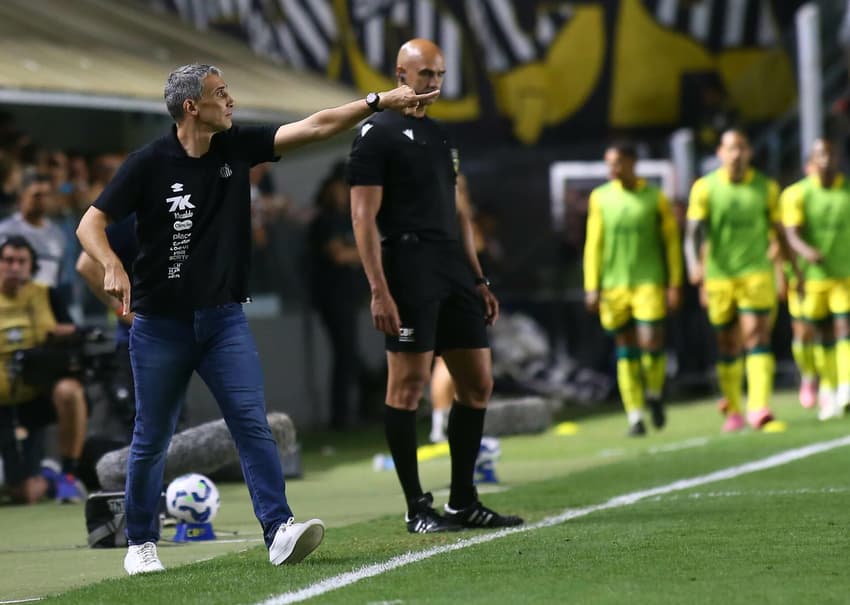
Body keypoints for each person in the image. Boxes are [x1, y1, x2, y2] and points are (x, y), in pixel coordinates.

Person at [75, 63, 436, 574]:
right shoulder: (148, 164)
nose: (232, 101)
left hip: (223, 322)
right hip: (160, 326)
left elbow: (314, 126)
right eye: (221, 94)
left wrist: (376, 102)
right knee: (151, 435)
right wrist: (111, 264)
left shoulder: (236, 146)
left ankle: (279, 529)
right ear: (191, 108)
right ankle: (140, 543)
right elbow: (91, 224)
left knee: (251, 422)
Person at [348, 38, 523, 533]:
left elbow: (459, 214)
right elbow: (362, 218)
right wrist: (379, 289)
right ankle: (415, 507)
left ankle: (462, 502)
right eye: (425, 74)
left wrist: (478, 277)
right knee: (406, 387)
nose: (434, 84)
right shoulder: (374, 132)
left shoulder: (443, 137)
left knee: (478, 384)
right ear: (400, 74)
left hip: (452, 266)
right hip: (407, 266)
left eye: (440, 75)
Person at [685, 129, 792, 432]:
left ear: (749, 153)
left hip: (756, 273)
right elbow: (693, 233)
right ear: (720, 153)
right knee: (728, 342)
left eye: (741, 148)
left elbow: (778, 233)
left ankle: (759, 407)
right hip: (720, 277)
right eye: (730, 148)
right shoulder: (705, 189)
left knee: (757, 336)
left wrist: (785, 271)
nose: (736, 154)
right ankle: (733, 407)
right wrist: (695, 266)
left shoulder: (765, 188)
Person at [583, 142, 682, 436]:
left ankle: (654, 391)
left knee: (651, 340)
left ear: (632, 162)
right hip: (614, 286)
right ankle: (635, 415)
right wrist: (592, 286)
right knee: (625, 348)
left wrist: (674, 283)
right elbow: (594, 244)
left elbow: (672, 244)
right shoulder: (600, 198)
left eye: (617, 162)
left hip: (648, 281)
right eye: (608, 163)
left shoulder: (655, 198)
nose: (612, 169)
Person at [0, 236, 87, 504]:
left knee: (69, 390)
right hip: (3, 403)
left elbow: (77, 334)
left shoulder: (48, 295)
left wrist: (66, 332)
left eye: (21, 261)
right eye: (8, 261)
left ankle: (68, 477)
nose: (14, 267)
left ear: (31, 266)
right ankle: (45, 475)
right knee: (23, 493)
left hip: (37, 398)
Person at [781, 138, 850, 420]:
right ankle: (826, 387)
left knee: (844, 329)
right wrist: (805, 253)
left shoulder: (846, 191)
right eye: (820, 154)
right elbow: (790, 234)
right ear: (811, 161)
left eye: (830, 153)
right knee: (817, 336)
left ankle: (846, 385)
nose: (826, 159)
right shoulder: (797, 194)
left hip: (844, 275)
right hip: (810, 278)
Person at [307, 161, 368, 429]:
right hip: (332, 296)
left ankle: (351, 412)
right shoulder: (327, 219)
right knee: (345, 353)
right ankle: (341, 416)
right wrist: (366, 254)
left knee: (349, 353)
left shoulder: (349, 217)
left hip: (349, 295)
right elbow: (338, 254)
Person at [0, 173, 66, 288]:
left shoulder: (57, 235)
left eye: (47, 195)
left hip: (47, 302)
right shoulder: (5, 230)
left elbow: (61, 275)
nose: (42, 200)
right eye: (37, 195)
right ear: (22, 197)